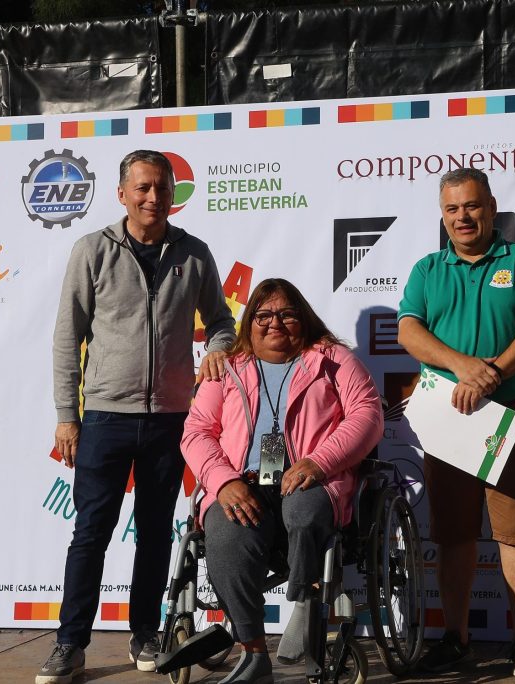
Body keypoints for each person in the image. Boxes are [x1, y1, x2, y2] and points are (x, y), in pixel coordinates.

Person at [37, 150, 237, 684]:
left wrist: (218, 347)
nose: (153, 198)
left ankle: (145, 632)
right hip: (103, 417)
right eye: (143, 188)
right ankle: (70, 644)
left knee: (155, 534)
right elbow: (67, 338)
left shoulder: (193, 254)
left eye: (163, 189)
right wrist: (66, 415)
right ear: (122, 193)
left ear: (175, 195)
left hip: (171, 420)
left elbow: (221, 321)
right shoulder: (92, 250)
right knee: (90, 533)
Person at [181, 278, 384, 684]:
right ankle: (254, 654)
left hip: (314, 480)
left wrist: (318, 462)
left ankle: (308, 599)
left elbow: (367, 414)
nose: (276, 323)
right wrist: (223, 482)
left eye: (287, 314)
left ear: (303, 319)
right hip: (245, 482)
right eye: (264, 315)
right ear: (249, 323)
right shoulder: (226, 367)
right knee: (223, 529)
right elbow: (197, 431)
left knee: (303, 509)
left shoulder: (332, 360)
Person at [397, 168, 515, 678]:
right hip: (449, 412)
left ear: (491, 207)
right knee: (453, 534)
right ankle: (456, 637)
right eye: (452, 209)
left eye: (471, 206)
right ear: (442, 215)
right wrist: (462, 366)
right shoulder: (427, 269)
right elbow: (408, 330)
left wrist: (491, 374)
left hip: (511, 409)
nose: (462, 217)